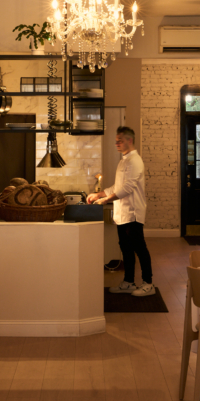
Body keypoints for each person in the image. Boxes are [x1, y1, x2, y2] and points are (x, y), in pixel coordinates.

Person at [88, 126, 154, 297]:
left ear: (129, 141)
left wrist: (106, 199)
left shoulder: (135, 161)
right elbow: (117, 187)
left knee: (140, 248)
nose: (116, 143)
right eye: (116, 140)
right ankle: (129, 282)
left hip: (133, 213)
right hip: (121, 214)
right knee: (125, 249)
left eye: (120, 140)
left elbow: (128, 188)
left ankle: (148, 283)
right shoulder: (123, 160)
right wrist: (99, 194)